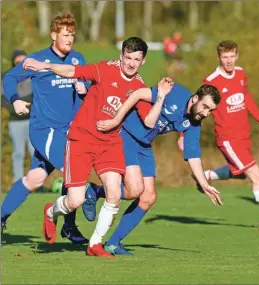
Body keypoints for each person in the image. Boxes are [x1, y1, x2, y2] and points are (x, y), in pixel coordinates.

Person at [23, 37, 166, 258]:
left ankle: (95, 244)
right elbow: (73, 72)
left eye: (136, 59)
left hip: (110, 144)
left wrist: (160, 98)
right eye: (127, 58)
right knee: (75, 201)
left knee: (113, 194)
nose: (131, 63)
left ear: (143, 61)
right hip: (81, 140)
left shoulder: (139, 87)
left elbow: (149, 122)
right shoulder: (104, 70)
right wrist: (45, 66)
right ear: (121, 56)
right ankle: (51, 212)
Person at [82, 83, 223, 255]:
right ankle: (95, 192)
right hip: (125, 135)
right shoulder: (174, 93)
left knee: (148, 197)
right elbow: (138, 93)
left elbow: (193, 154)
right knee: (134, 189)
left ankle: (113, 242)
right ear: (194, 99)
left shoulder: (194, 122)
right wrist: (116, 119)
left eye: (211, 110)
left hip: (144, 144)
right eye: (205, 107)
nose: (206, 113)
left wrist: (205, 184)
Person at [1, 12, 93, 244]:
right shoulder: (37, 59)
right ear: (53, 35)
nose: (70, 39)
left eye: (72, 34)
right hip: (45, 130)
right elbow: (10, 78)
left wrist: (86, 90)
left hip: (68, 132)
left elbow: (89, 87)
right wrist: (15, 99)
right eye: (65, 34)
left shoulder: (78, 59)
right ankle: (71, 224)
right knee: (73, 171)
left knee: (34, 179)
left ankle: (1, 217)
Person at [188, 40, 259, 230]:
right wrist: (183, 134)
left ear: (237, 56)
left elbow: (245, 96)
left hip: (244, 135)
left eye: (232, 56)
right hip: (228, 138)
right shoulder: (211, 81)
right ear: (218, 57)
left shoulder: (241, 73)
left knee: (242, 174)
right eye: (225, 57)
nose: (229, 61)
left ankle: (204, 175)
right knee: (256, 175)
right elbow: (197, 107)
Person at [1, 49, 35, 182]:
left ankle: (35, 182)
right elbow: (4, 100)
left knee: (35, 153)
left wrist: (28, 107)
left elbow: (39, 97)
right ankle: (18, 182)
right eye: (18, 61)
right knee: (18, 153)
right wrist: (15, 108)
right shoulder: (6, 78)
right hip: (15, 122)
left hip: (32, 121)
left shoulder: (33, 77)